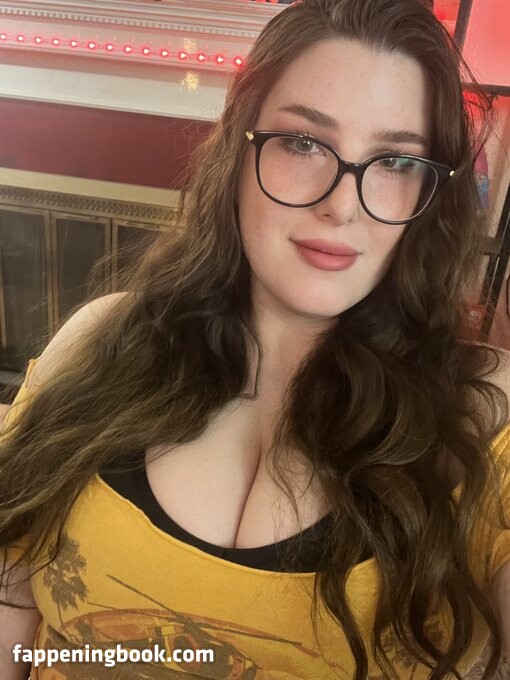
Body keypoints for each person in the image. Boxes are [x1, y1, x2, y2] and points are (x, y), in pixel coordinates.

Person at [0, 0, 509, 678]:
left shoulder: (483, 414)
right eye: (303, 143)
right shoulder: (99, 340)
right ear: (238, 148)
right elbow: (11, 598)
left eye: (394, 160)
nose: (341, 205)